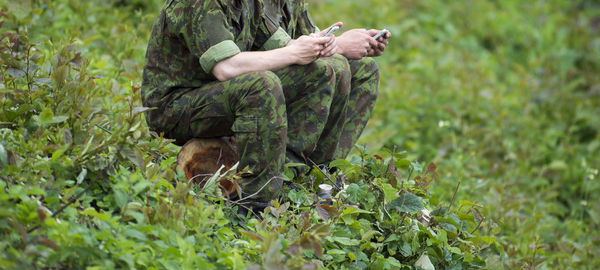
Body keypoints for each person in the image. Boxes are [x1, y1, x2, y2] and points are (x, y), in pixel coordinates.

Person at [141, 0, 348, 207]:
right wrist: (293, 53)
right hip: (174, 109)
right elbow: (225, 67)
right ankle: (254, 201)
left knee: (318, 72)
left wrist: (314, 44)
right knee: (261, 84)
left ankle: (290, 177)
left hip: (217, 96)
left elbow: (282, 44)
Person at [264, 0, 391, 160]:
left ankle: (323, 167)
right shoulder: (259, 5)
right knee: (334, 66)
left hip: (284, 70)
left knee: (365, 69)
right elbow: (285, 46)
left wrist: (352, 43)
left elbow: (311, 38)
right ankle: (289, 168)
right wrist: (341, 45)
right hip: (258, 76)